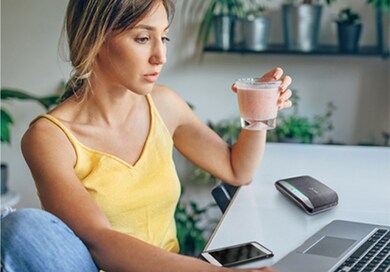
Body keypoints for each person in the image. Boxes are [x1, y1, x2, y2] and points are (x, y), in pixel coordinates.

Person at [1, 0, 292, 271]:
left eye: (163, 37)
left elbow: (236, 170)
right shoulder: (50, 138)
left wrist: (259, 113)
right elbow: (99, 241)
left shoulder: (163, 106)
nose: (161, 56)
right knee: (21, 227)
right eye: (143, 38)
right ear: (95, 40)